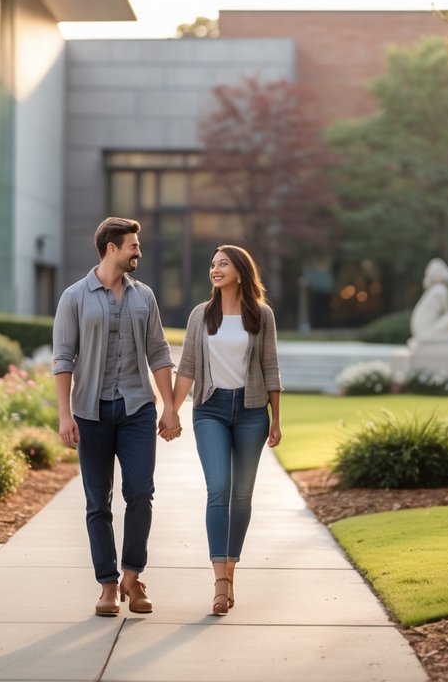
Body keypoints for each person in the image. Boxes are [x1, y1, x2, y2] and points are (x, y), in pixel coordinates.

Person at [52, 217, 176, 617]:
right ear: (111, 248)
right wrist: (64, 415)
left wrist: (170, 406)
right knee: (97, 501)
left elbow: (159, 353)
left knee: (140, 492)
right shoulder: (74, 297)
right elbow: (62, 358)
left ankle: (132, 576)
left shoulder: (145, 297)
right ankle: (107, 585)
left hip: (138, 408)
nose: (138, 251)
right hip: (90, 412)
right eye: (133, 246)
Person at [163, 244, 282, 616]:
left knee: (242, 496)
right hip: (210, 409)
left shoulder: (261, 316)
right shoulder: (201, 315)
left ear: (240, 270)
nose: (215, 270)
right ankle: (219, 582)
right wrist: (171, 411)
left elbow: (271, 368)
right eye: (212, 265)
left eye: (223, 264)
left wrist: (276, 418)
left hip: (251, 412)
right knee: (219, 490)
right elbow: (187, 367)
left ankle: (230, 570)